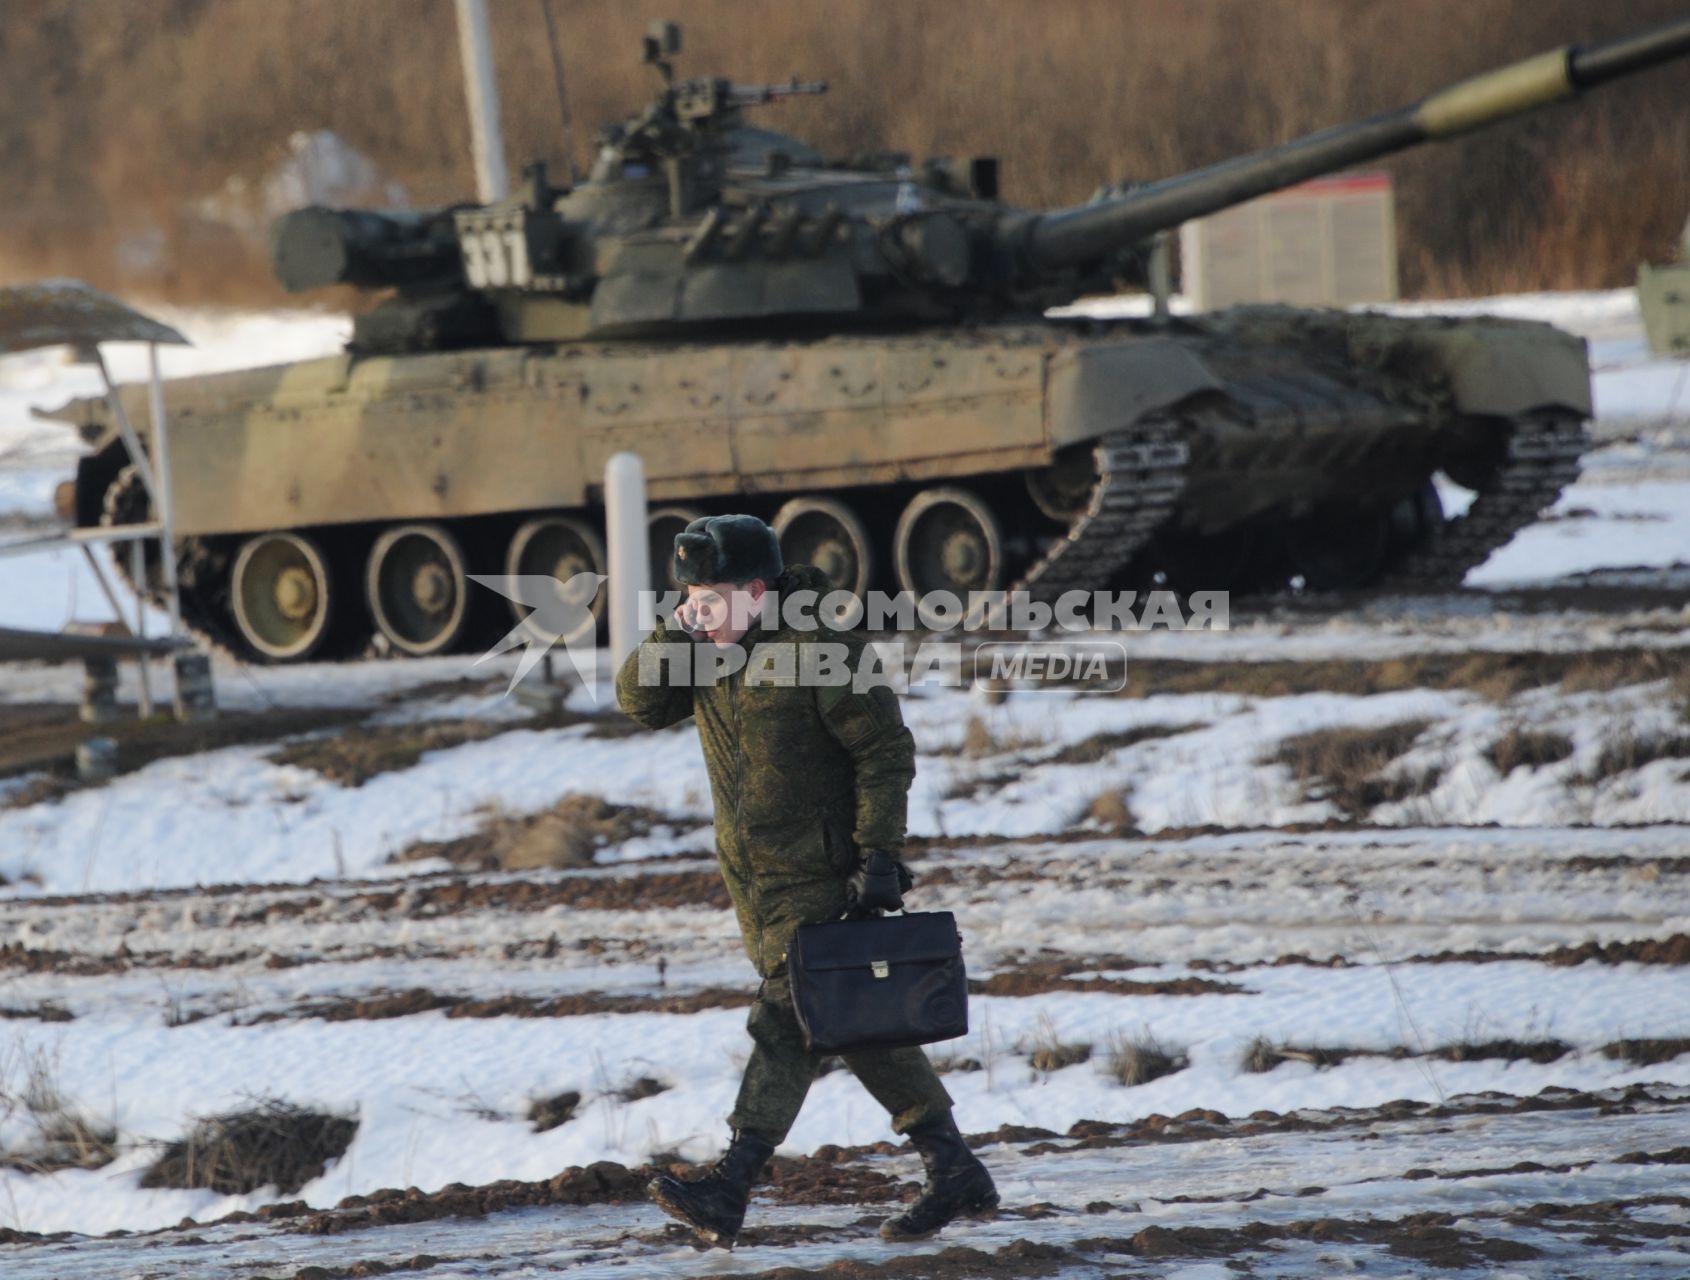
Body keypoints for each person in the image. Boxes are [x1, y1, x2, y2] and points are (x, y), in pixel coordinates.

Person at [615, 513, 998, 1247]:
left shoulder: (820, 645)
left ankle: (732, 1184)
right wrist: (679, 630)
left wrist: (880, 854)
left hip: (824, 873)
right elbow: (639, 701)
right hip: (755, 882)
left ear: (757, 591)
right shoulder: (703, 647)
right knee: (854, 1024)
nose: (698, 608)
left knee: (788, 1019)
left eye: (711, 595)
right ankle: (954, 1170)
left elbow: (884, 750)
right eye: (688, 595)